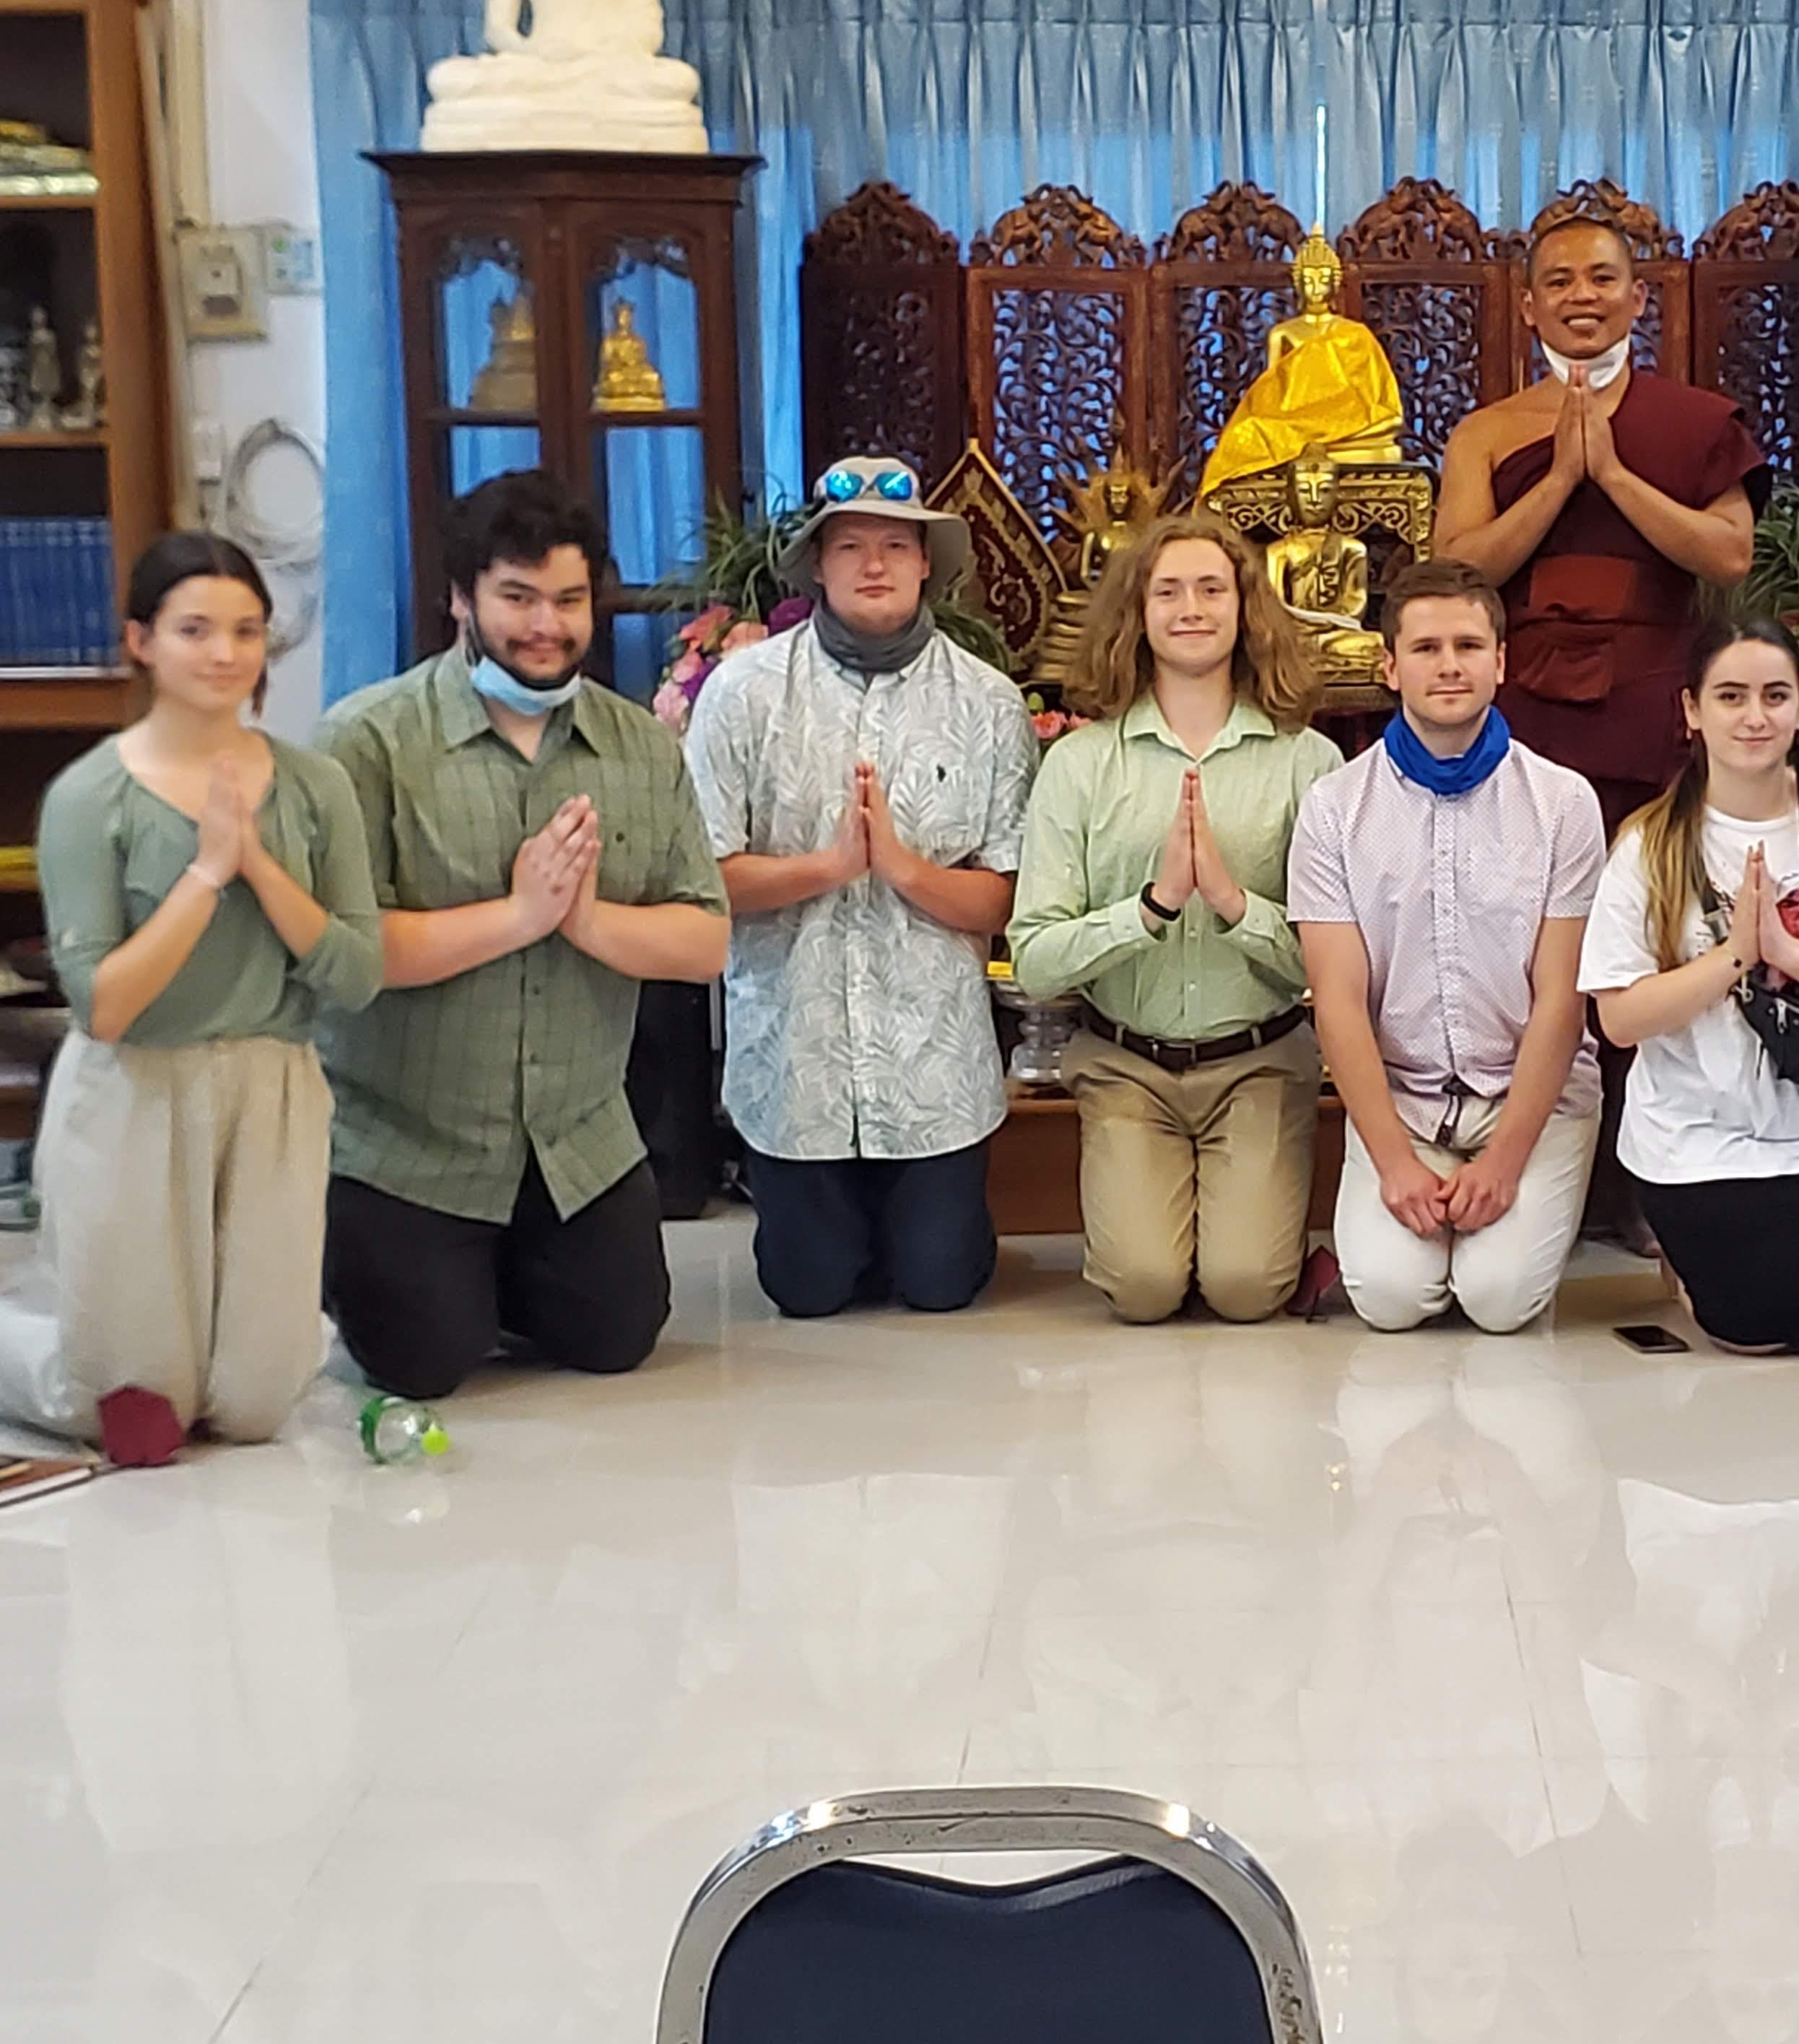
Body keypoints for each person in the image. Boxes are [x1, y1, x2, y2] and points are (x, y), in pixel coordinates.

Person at [315, 470, 728, 1401]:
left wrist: (583, 921)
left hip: (578, 1140)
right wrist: (518, 919)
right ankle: (417, 1271)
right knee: (422, 1364)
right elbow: (342, 957)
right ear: (460, 599)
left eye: (569, 600)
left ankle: (499, 1275)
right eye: (517, 598)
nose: (547, 625)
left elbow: (704, 942)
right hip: (412, 1141)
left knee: (617, 1338)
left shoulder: (641, 746)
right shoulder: (365, 743)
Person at [0, 535, 378, 1464]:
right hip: (135, 1088)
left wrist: (257, 862)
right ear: (141, 641)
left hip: (271, 1086)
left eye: (247, 631)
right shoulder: (90, 797)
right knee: (138, 1418)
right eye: (195, 630)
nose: (224, 653)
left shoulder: (315, 785)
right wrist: (205, 873)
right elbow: (106, 1007)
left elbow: (358, 972)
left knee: (253, 1410)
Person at [685, 457, 1034, 1318]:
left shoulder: (988, 705)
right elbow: (705, 880)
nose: (873, 564)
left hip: (933, 1069)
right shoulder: (742, 695)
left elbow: (1000, 901)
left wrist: (903, 870)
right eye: (850, 546)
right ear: (817, 566)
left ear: (927, 564)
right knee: (807, 1293)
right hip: (795, 1067)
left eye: (894, 544)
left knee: (940, 1286)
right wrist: (829, 868)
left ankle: (920, 1226)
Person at [1009, 516, 1340, 1323]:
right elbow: (1035, 960)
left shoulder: (1308, 761)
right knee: (1146, 1290)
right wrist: (1149, 909)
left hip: (1259, 1063)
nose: (1191, 608)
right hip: (1128, 1067)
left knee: (1244, 1292)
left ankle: (1270, 1241)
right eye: (1168, 592)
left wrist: (1233, 905)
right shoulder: (1081, 762)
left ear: (1245, 608)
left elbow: (1334, 969)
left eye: (1211, 589)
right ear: (1138, 613)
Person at [1577, 619, 1799, 1352]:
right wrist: (1736, 956)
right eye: (1731, 696)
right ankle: (1687, 1255)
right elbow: (1619, 1019)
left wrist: (1789, 953)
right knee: (1759, 1328)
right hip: (1701, 1133)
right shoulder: (1652, 843)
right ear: (1692, 711)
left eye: (1775, 696)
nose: (1755, 717)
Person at [1290, 560, 1605, 1333]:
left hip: (1530, 1097)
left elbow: (1563, 1001)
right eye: (1426, 648)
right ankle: (1417, 1211)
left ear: (1501, 662)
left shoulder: (1563, 803)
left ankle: (1508, 1224)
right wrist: (1395, 1163)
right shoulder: (1334, 809)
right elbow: (1337, 1002)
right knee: (1393, 1301)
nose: (1449, 665)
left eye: (1469, 645)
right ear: (1390, 666)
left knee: (1498, 1302)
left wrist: (1502, 1166)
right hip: (1407, 1098)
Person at [1434, 212, 1770, 831]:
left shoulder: (1695, 421)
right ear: (1530, 307)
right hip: (1525, 704)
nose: (1582, 295)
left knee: (1649, 900)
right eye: (1560, 282)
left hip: (1652, 697)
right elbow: (1458, 574)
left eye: (1602, 278)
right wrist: (1560, 479)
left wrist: (1614, 476)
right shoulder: (1486, 432)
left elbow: (1730, 558)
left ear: (1638, 298)